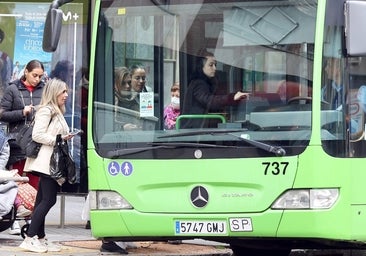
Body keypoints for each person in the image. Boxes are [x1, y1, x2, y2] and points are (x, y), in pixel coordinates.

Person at [19, 78, 75, 253]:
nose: (66, 95)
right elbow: (37, 135)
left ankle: (40, 238)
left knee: (41, 201)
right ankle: (29, 238)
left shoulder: (57, 111)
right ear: (54, 93)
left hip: (51, 161)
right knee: (49, 200)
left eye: (66, 91)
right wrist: (58, 139)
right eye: (62, 92)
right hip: (46, 162)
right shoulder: (46, 111)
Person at [0, 59, 45, 235]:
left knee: (35, 181)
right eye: (34, 75)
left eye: (40, 76)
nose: (37, 79)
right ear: (26, 72)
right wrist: (22, 112)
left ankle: (31, 218)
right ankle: (13, 219)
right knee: (16, 180)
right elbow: (2, 114)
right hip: (17, 142)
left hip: (36, 142)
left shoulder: (44, 89)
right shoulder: (13, 89)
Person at [181, 50, 249, 128]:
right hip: (195, 129)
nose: (215, 68)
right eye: (211, 65)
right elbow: (209, 101)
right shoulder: (198, 83)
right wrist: (232, 97)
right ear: (201, 66)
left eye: (215, 65)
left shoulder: (209, 82)